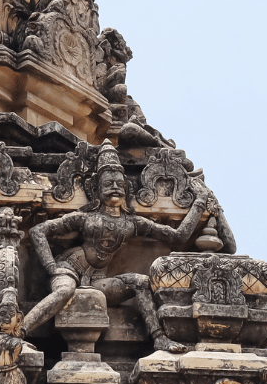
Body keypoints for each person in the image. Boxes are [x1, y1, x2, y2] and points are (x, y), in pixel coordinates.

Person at [27, 141, 210, 353]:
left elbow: (178, 236)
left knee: (140, 282)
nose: (114, 187)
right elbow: (37, 231)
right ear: (95, 189)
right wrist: (52, 267)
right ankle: (18, 331)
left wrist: (200, 202)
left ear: (126, 188)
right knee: (65, 290)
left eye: (118, 184)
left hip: (98, 280)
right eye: (108, 184)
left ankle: (159, 338)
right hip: (69, 269)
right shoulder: (85, 217)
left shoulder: (132, 223)